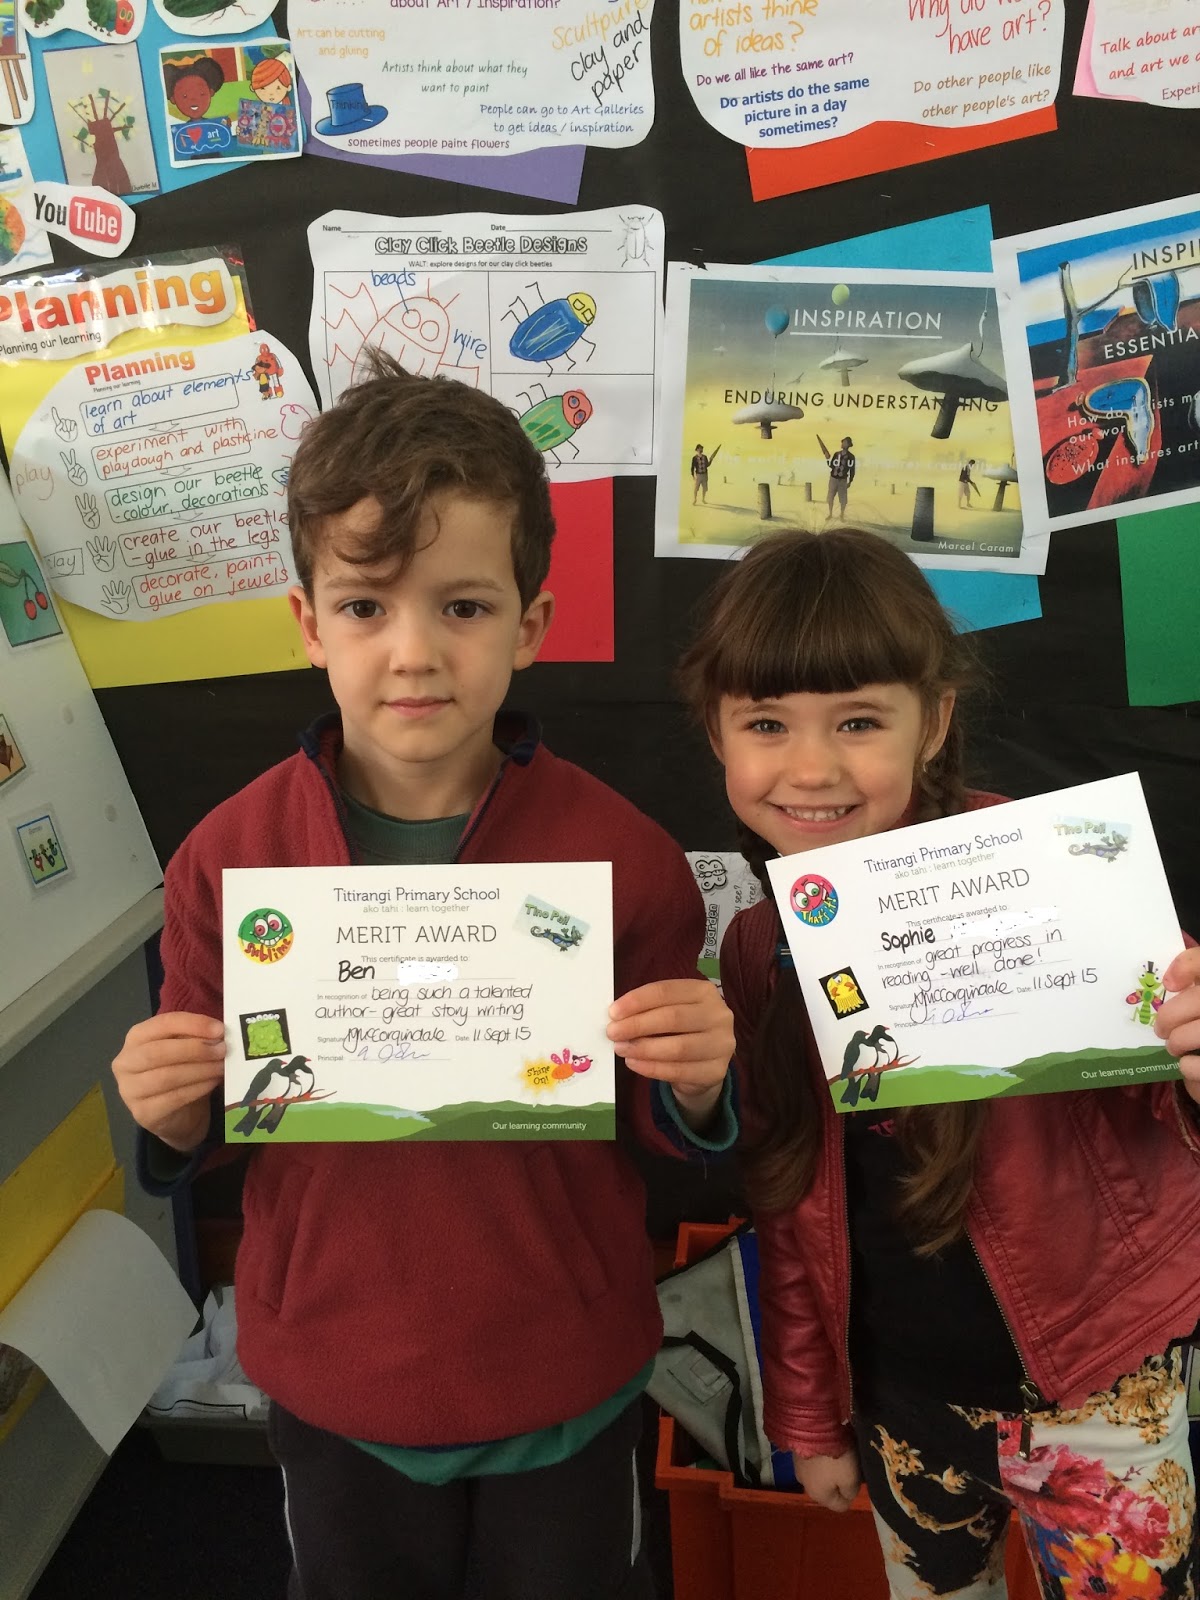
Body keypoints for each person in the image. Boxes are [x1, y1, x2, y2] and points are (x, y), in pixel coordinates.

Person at [112, 353, 736, 1600]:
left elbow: (664, 1133)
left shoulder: (625, 857)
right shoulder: (227, 857)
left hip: (562, 1372)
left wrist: (697, 1089)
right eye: (365, 606)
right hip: (337, 1380)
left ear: (530, 625)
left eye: (462, 606)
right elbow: (213, 1129)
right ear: (308, 625)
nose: (414, 652)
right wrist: (173, 1113)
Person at [677, 526, 1200, 1597]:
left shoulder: (1055, 871)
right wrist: (810, 1414)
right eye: (767, 723)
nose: (811, 768)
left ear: (935, 722)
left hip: (1098, 1389)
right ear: (717, 734)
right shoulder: (759, 948)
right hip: (902, 1399)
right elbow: (786, 1199)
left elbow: (1168, 1101)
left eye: (859, 721)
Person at [819, 434, 855, 518]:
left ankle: (842, 515)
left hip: (843, 480)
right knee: (830, 497)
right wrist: (827, 459)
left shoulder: (851, 457)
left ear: (848, 445)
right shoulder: (836, 454)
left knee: (843, 499)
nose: (842, 443)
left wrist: (850, 481)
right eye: (842, 442)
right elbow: (832, 466)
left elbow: (852, 470)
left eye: (844, 442)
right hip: (833, 479)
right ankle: (830, 514)